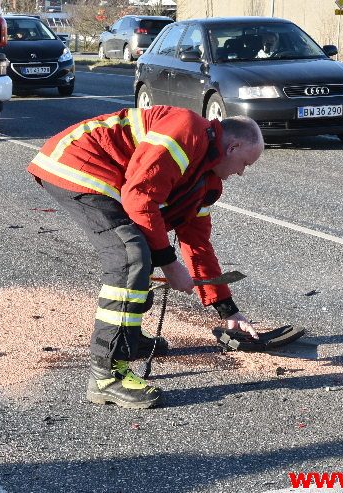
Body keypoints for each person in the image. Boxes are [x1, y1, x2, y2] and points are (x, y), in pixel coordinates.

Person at [26, 106, 265, 410]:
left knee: (144, 244)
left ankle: (129, 336)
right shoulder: (187, 130)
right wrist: (170, 264)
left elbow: (198, 245)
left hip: (109, 177)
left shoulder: (204, 180)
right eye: (245, 163)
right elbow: (138, 197)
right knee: (130, 255)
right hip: (78, 162)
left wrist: (228, 311)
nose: (241, 173)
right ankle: (107, 375)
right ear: (233, 146)